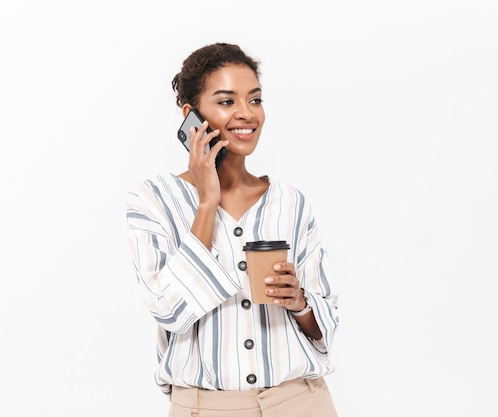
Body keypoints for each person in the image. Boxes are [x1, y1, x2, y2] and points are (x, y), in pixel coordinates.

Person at [125, 42, 339, 417]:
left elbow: (325, 326)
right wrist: (207, 202)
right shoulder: (153, 200)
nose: (246, 114)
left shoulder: (290, 202)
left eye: (254, 100)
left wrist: (300, 302)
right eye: (226, 102)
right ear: (192, 115)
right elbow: (168, 309)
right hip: (205, 407)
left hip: (301, 402)